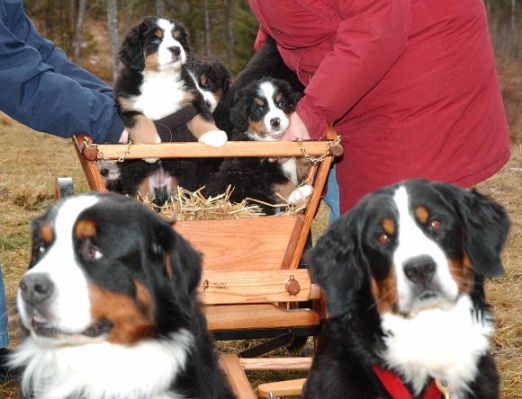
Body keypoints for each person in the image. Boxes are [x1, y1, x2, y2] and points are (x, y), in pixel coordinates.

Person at [247, 0, 510, 214]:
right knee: (356, 212)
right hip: (354, 68)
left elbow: (373, 30)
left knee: (393, 218)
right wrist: (271, 63)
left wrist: (310, 113)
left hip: (415, 67)